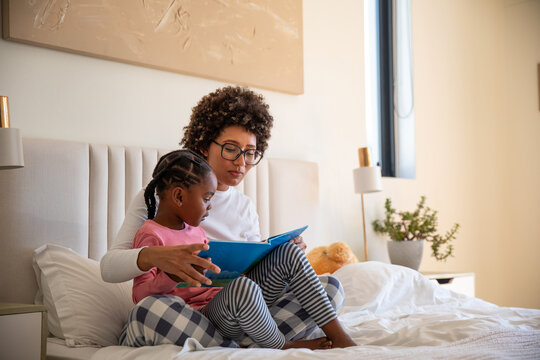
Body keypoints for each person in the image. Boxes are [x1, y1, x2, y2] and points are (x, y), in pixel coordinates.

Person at [100, 86, 354, 348]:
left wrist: (278, 255)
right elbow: (108, 267)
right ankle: (268, 345)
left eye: (250, 152)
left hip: (235, 308)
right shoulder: (155, 199)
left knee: (329, 287)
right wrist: (155, 257)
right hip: (187, 315)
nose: (241, 162)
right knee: (149, 312)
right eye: (231, 148)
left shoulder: (245, 207)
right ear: (203, 144)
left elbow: (252, 283)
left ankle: (328, 339)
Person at [128, 149, 354, 349]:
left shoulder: (195, 230)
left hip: (231, 307)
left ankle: (339, 336)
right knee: (149, 310)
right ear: (178, 196)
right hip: (198, 318)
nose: (210, 206)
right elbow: (140, 295)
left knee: (309, 270)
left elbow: (220, 275)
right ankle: (281, 344)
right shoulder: (150, 235)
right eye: (207, 199)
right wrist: (170, 276)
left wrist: (256, 258)